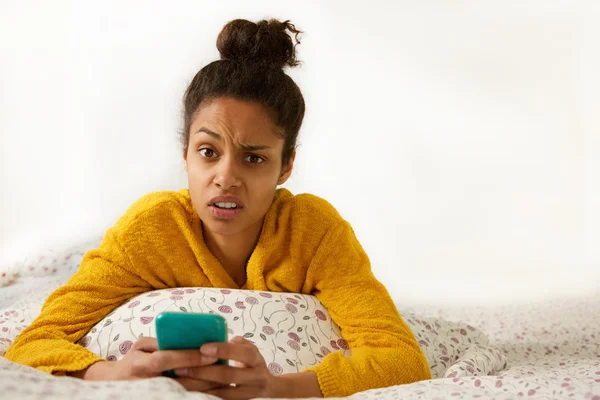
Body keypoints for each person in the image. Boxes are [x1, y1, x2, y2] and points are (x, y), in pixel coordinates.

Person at [5, 18, 430, 398]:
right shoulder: (149, 231)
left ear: (286, 166)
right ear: (185, 155)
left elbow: (402, 359)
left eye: (254, 158)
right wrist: (108, 375)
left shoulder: (315, 233)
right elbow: (34, 343)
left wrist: (277, 387)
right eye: (208, 151)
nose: (226, 176)